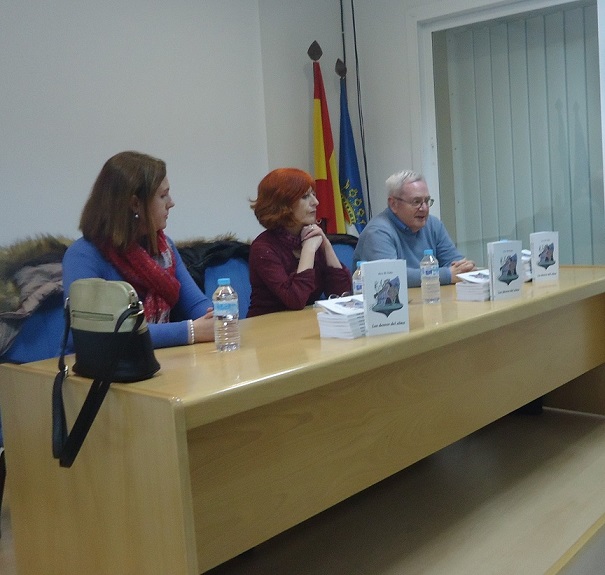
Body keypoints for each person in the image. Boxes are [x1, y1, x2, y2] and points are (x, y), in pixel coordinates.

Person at [62, 151, 214, 348]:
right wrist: (190, 331)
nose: (171, 203)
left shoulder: (163, 247)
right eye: (163, 195)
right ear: (135, 204)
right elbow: (93, 332)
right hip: (98, 373)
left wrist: (217, 316)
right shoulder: (83, 256)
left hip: (155, 363)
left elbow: (195, 304)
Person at [247, 168, 352, 317]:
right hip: (267, 330)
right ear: (283, 204)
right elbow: (295, 299)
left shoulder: (311, 236)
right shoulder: (263, 248)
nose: (316, 202)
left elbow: (343, 295)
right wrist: (308, 250)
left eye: (314, 195)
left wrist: (326, 246)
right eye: (305, 196)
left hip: (303, 325)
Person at [354, 170, 475, 287]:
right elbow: (391, 277)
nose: (424, 208)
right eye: (416, 202)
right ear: (393, 204)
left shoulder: (433, 224)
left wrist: (464, 268)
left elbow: (455, 263)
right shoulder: (377, 232)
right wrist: (445, 275)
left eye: (426, 201)